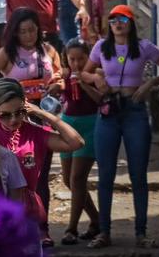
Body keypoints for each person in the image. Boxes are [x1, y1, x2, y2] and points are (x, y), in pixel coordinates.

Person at [82, 4, 159, 249]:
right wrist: (97, 78)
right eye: (113, 19)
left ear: (131, 22)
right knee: (105, 175)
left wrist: (149, 84)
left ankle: (141, 232)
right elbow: (84, 73)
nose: (117, 23)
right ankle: (104, 232)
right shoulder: (101, 46)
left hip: (135, 110)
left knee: (138, 174)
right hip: (108, 111)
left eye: (123, 19)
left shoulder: (144, 47)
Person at [0, 78, 85, 248]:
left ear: (25, 106)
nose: (13, 120)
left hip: (27, 215)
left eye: (18, 112)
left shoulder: (35, 133)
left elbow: (76, 143)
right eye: (5, 115)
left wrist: (42, 113)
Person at [59, 38, 102, 244]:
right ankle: (96, 220)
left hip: (90, 125)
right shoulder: (64, 75)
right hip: (67, 125)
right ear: (66, 60)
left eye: (81, 59)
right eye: (72, 59)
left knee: (77, 179)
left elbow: (101, 100)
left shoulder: (95, 75)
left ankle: (71, 228)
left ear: (89, 58)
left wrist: (84, 83)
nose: (76, 64)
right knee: (68, 180)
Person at [0, 7, 63, 105]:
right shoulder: (7, 53)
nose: (28, 35)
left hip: (48, 106)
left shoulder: (48, 50)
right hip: (19, 108)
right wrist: (3, 90)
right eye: (23, 32)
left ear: (38, 29)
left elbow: (60, 75)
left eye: (32, 30)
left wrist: (57, 85)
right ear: (15, 33)